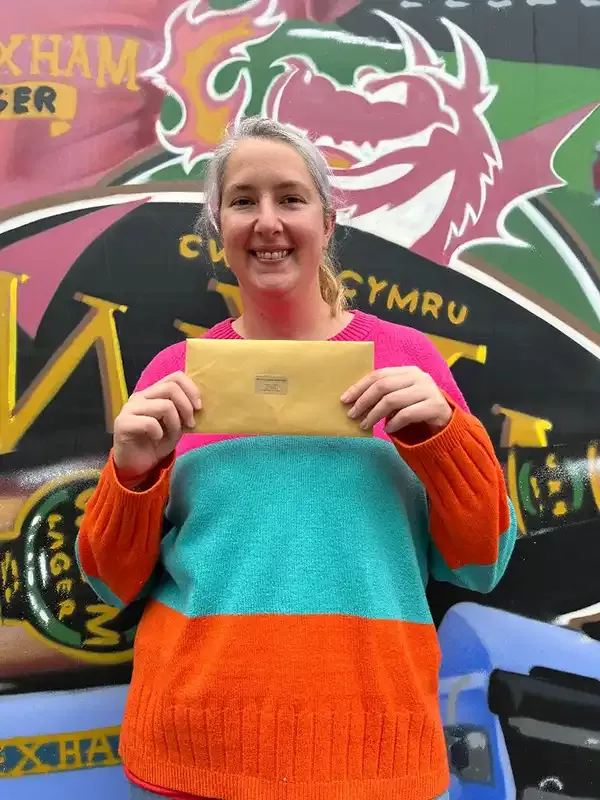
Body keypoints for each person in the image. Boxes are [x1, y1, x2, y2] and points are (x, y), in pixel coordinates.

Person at [76, 116, 517, 800]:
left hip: (372, 759)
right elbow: (110, 583)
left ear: (327, 222)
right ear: (219, 229)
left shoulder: (410, 362)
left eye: (290, 198)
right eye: (243, 201)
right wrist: (131, 474)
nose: (268, 221)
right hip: (192, 755)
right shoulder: (174, 373)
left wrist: (444, 440)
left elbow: (482, 563)